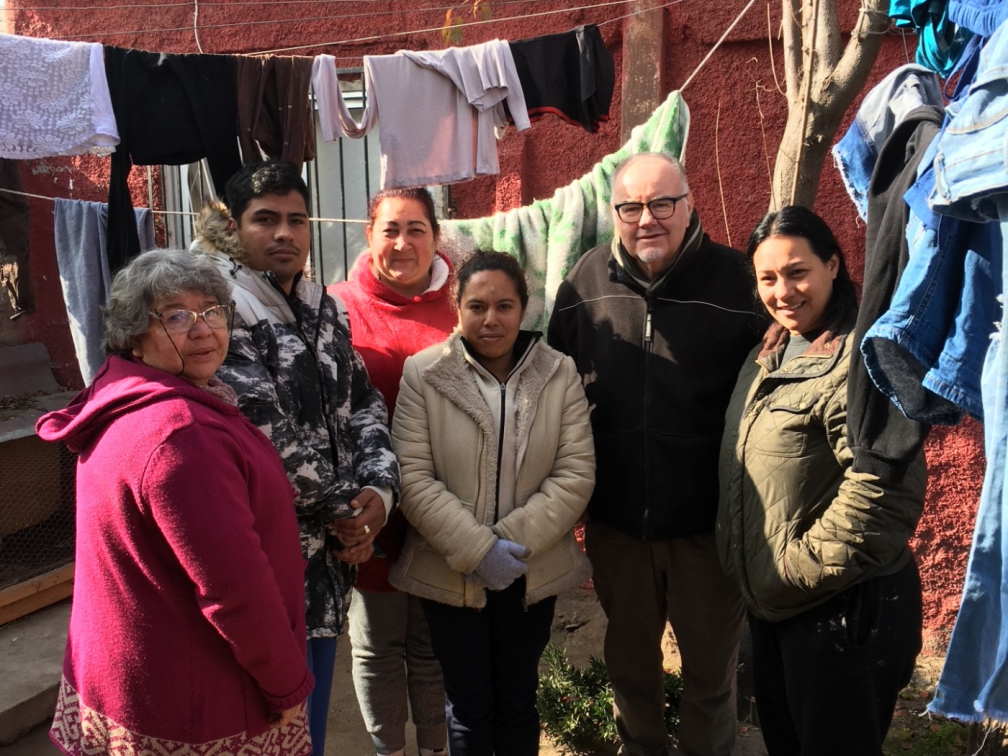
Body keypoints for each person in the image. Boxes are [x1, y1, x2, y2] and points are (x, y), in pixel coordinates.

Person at [37, 249, 313, 755]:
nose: (204, 329)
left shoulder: (123, 399)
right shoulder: (182, 434)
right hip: (198, 699)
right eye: (176, 317)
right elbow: (235, 590)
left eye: (211, 310)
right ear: (134, 338)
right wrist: (288, 683)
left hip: (132, 678)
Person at [547, 152, 764, 756]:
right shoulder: (583, 284)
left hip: (707, 528)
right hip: (619, 527)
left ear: (689, 204)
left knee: (709, 676)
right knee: (631, 669)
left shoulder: (738, 282)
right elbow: (552, 384)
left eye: (662, 203)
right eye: (631, 206)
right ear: (614, 212)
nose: (648, 218)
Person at [192, 159, 401, 756]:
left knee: (306, 726)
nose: (284, 233)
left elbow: (363, 402)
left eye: (296, 219)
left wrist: (380, 494)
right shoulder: (216, 310)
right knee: (267, 728)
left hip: (329, 569)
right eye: (266, 220)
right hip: (264, 566)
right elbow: (264, 435)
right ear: (234, 227)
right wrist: (352, 514)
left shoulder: (322, 306)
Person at [716, 206, 926, 756]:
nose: (782, 291)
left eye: (797, 271)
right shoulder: (769, 353)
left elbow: (883, 488)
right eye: (767, 278)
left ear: (833, 264)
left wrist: (791, 569)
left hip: (841, 609)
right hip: (781, 609)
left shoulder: (865, 358)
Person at [390, 250, 595, 756]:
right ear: (457, 307)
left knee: (518, 701)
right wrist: (477, 550)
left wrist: (507, 545)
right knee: (468, 708)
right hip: (450, 570)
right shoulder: (424, 373)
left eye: (504, 306)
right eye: (477, 305)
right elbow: (412, 476)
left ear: (524, 308)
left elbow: (575, 473)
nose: (490, 319)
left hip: (531, 569)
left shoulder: (558, 372)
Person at [328, 187, 453, 756]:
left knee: (431, 646)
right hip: (367, 511)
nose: (403, 244)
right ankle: (389, 750)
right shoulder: (334, 309)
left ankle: (433, 748)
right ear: (367, 235)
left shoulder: (463, 307)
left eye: (417, 229)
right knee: (377, 644)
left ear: (436, 235)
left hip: (445, 508)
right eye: (390, 230)